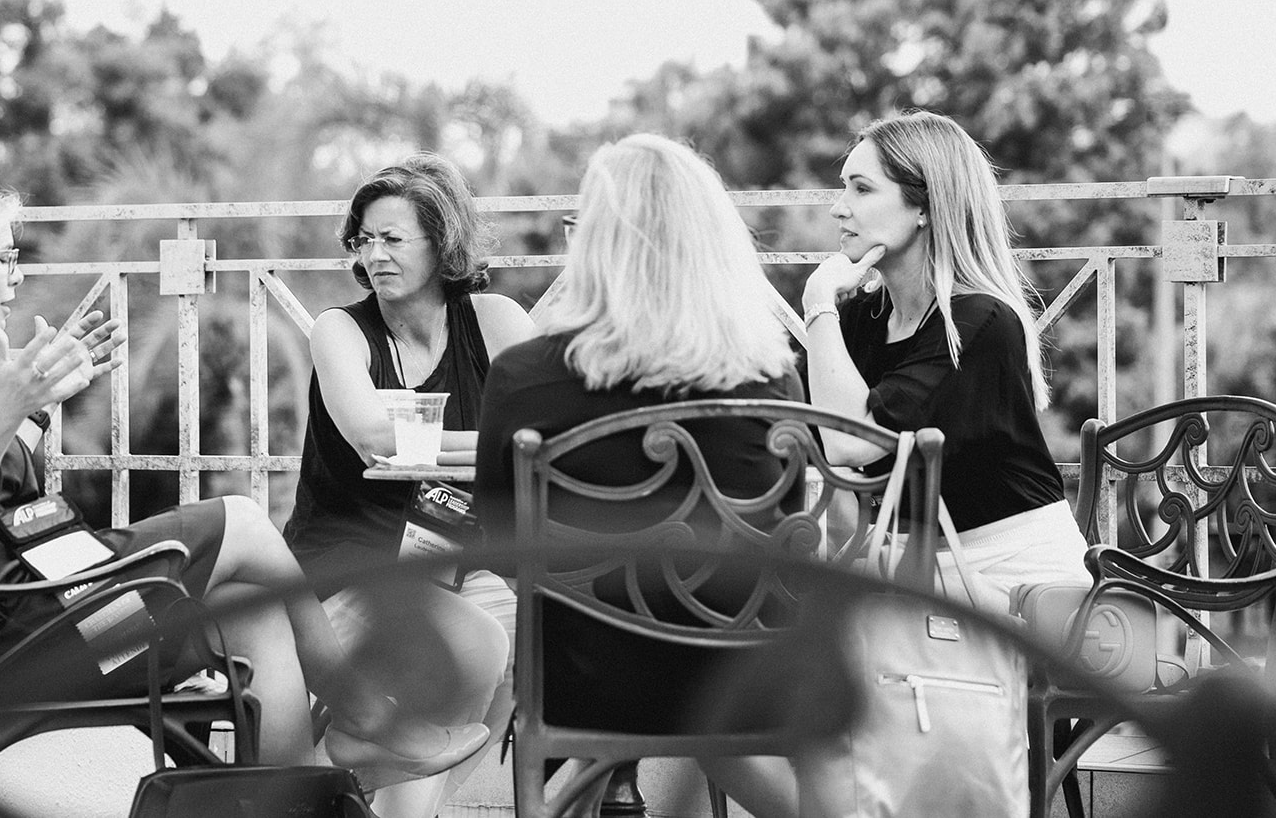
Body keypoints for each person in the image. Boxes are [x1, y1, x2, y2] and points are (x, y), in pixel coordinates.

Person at [0, 166, 487, 779]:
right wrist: (7, 407)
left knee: (253, 616)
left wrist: (33, 409)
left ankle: (297, 800)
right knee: (243, 520)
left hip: (26, 619)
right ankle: (363, 713)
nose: (16, 275)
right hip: (25, 640)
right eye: (3, 258)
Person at [474, 134, 810, 818]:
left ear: (594, 241)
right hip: (740, 673)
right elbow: (787, 531)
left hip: (586, 679)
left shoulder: (523, 375)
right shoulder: (772, 377)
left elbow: (500, 543)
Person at [281, 152, 538, 818]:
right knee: (476, 643)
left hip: (459, 562)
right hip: (353, 565)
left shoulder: (496, 322)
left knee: (533, 642)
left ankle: (369, 798)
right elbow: (373, 436)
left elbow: (545, 432)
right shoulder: (342, 330)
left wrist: (457, 447)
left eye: (393, 238)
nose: (375, 255)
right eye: (364, 239)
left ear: (442, 241)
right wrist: (495, 445)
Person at [799, 110, 1090, 612]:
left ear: (925, 206)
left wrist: (817, 303)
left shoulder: (980, 322)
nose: (837, 208)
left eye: (861, 189)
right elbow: (803, 432)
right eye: (843, 187)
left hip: (1017, 581)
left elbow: (849, 442)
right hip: (918, 571)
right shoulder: (865, 317)